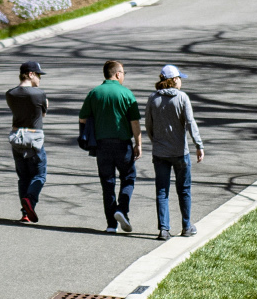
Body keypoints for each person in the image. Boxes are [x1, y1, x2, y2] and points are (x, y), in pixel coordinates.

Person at [79, 60, 142, 233]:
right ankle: (122, 209)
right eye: (123, 73)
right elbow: (134, 122)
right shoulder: (126, 93)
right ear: (117, 74)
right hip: (123, 145)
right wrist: (138, 144)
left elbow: (83, 118)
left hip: (101, 146)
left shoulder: (94, 93)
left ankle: (111, 225)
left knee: (107, 184)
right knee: (128, 178)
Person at [146, 64, 205, 241]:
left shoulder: (153, 99)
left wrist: (156, 141)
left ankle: (164, 229)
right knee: (184, 189)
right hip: (180, 152)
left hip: (160, 153)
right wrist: (198, 144)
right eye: (179, 78)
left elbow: (149, 125)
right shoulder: (182, 98)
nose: (181, 82)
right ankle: (186, 226)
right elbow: (190, 123)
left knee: (162, 191)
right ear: (174, 80)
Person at [6, 61, 48, 223]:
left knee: (23, 177)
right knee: (39, 175)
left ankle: (25, 212)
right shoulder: (38, 94)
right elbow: (42, 114)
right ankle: (30, 200)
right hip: (34, 137)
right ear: (30, 74)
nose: (39, 78)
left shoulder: (10, 94)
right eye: (38, 75)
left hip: (17, 136)